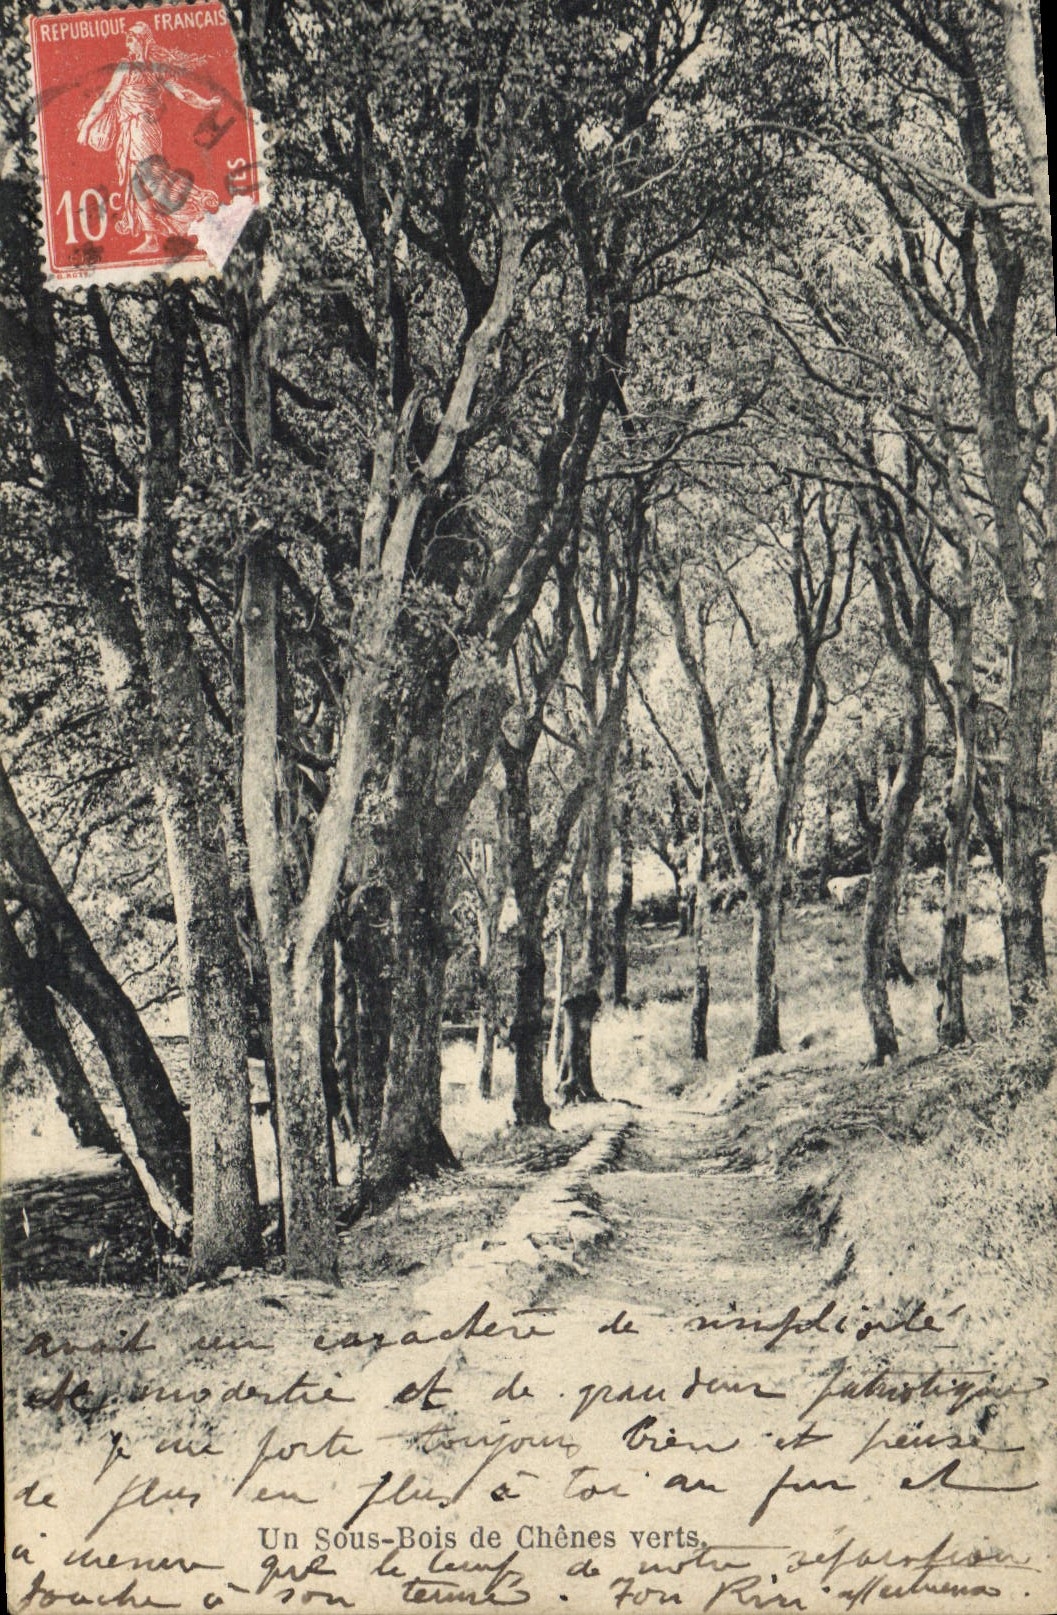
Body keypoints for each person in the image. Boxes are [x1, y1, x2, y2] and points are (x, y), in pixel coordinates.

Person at [76, 22, 222, 254]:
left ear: (143, 40)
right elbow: (107, 97)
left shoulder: (146, 67)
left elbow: (181, 92)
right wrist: (86, 125)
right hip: (133, 129)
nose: (128, 44)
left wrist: (205, 104)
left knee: (150, 180)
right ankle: (153, 236)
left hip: (141, 128)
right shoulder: (142, 67)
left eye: (132, 39)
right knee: (139, 183)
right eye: (127, 40)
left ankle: (196, 205)